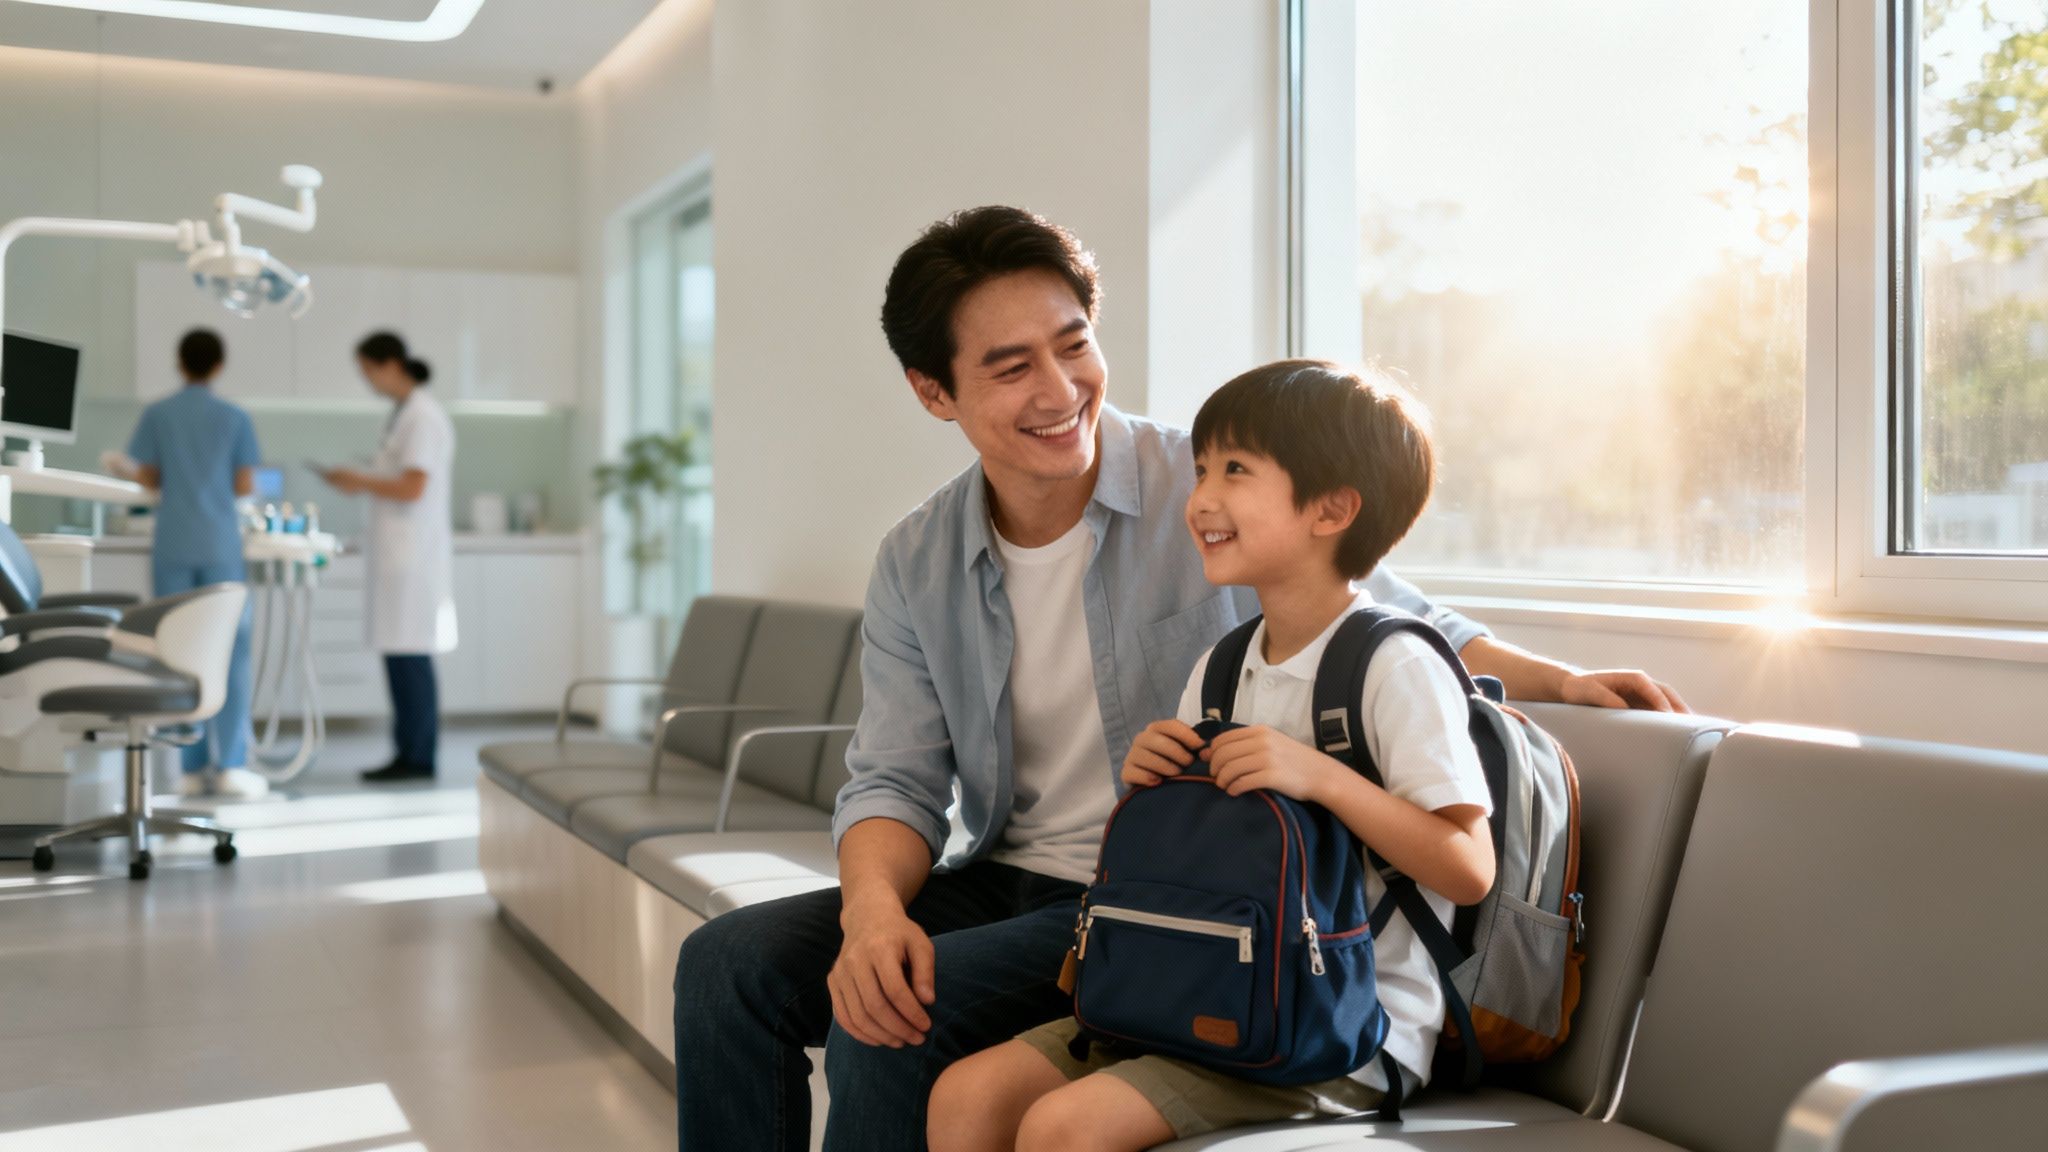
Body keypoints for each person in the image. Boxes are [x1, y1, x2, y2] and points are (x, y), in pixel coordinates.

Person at [673, 206, 1684, 1152]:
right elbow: (893, 778)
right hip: (1000, 874)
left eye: (1072, 345)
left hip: (1149, 885)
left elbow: (1386, 612)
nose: (1059, 390)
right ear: (933, 392)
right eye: (1011, 366)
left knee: (899, 1013)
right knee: (728, 967)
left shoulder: (1202, 489)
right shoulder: (916, 559)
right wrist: (872, 915)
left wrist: (1555, 676)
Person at [928, 360, 1494, 1150]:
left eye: (1236, 470)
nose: (1200, 498)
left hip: (1342, 1026)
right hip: (1204, 988)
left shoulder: (1395, 665)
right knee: (966, 1096)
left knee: (1064, 1127)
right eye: (1200, 469)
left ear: (1332, 509)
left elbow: (1468, 864)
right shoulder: (1223, 666)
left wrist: (1319, 777)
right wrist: (1158, 784)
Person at [126, 327, 266, 799]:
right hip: (220, 545)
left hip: (174, 544)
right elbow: (245, 484)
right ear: (219, 365)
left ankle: (186, 767)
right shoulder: (234, 417)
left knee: (176, 651)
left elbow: (146, 474)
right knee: (229, 652)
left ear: (179, 362)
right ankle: (228, 766)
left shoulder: (159, 414)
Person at [319, 332, 456, 784]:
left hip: (413, 557)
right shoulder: (403, 415)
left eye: (368, 371)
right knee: (401, 657)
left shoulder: (422, 417)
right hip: (401, 554)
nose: (367, 381)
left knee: (410, 657)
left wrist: (360, 480)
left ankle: (418, 756)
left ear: (390, 363)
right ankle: (408, 751)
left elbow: (413, 486)